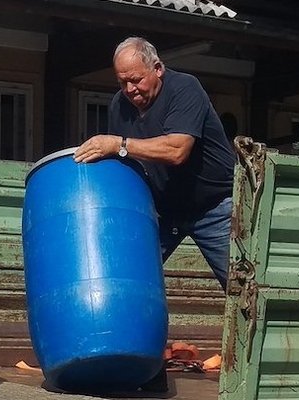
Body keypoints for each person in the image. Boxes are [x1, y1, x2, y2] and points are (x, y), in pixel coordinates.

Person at [74, 36, 236, 290]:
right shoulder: (119, 105)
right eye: (122, 82)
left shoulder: (185, 88)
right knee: (125, 276)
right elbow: (123, 165)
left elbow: (177, 150)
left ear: (157, 68)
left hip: (213, 207)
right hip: (162, 210)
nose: (129, 89)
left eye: (136, 80)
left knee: (244, 288)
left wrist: (119, 144)